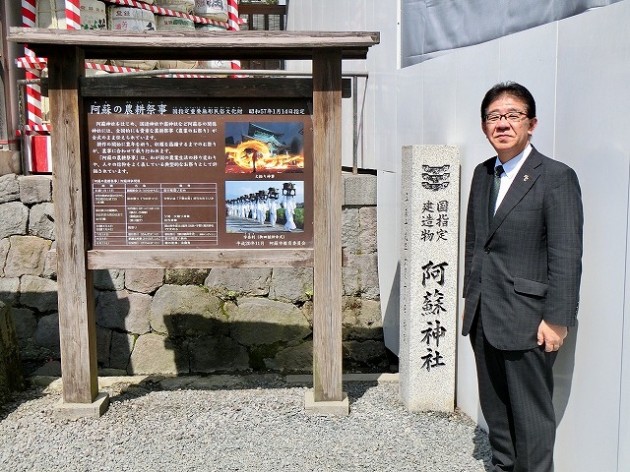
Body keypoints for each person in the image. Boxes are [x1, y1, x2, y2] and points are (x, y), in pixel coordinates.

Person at [461, 82, 583, 472]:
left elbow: (566, 253)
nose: (503, 123)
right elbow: (476, 243)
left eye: (513, 115)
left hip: (529, 320)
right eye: (494, 116)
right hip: (484, 315)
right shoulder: (484, 174)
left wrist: (557, 319)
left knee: (531, 420)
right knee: (497, 416)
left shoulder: (556, 177)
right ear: (484, 126)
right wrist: (470, 298)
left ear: (532, 124)